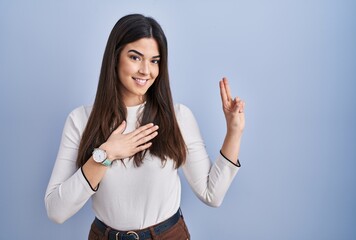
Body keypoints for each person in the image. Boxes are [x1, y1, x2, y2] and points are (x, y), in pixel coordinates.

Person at [45, 13, 245, 240]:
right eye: (135, 57)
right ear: (115, 57)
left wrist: (234, 132)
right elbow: (56, 211)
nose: (146, 71)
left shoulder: (178, 117)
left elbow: (212, 194)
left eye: (154, 61)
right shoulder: (80, 120)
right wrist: (106, 154)